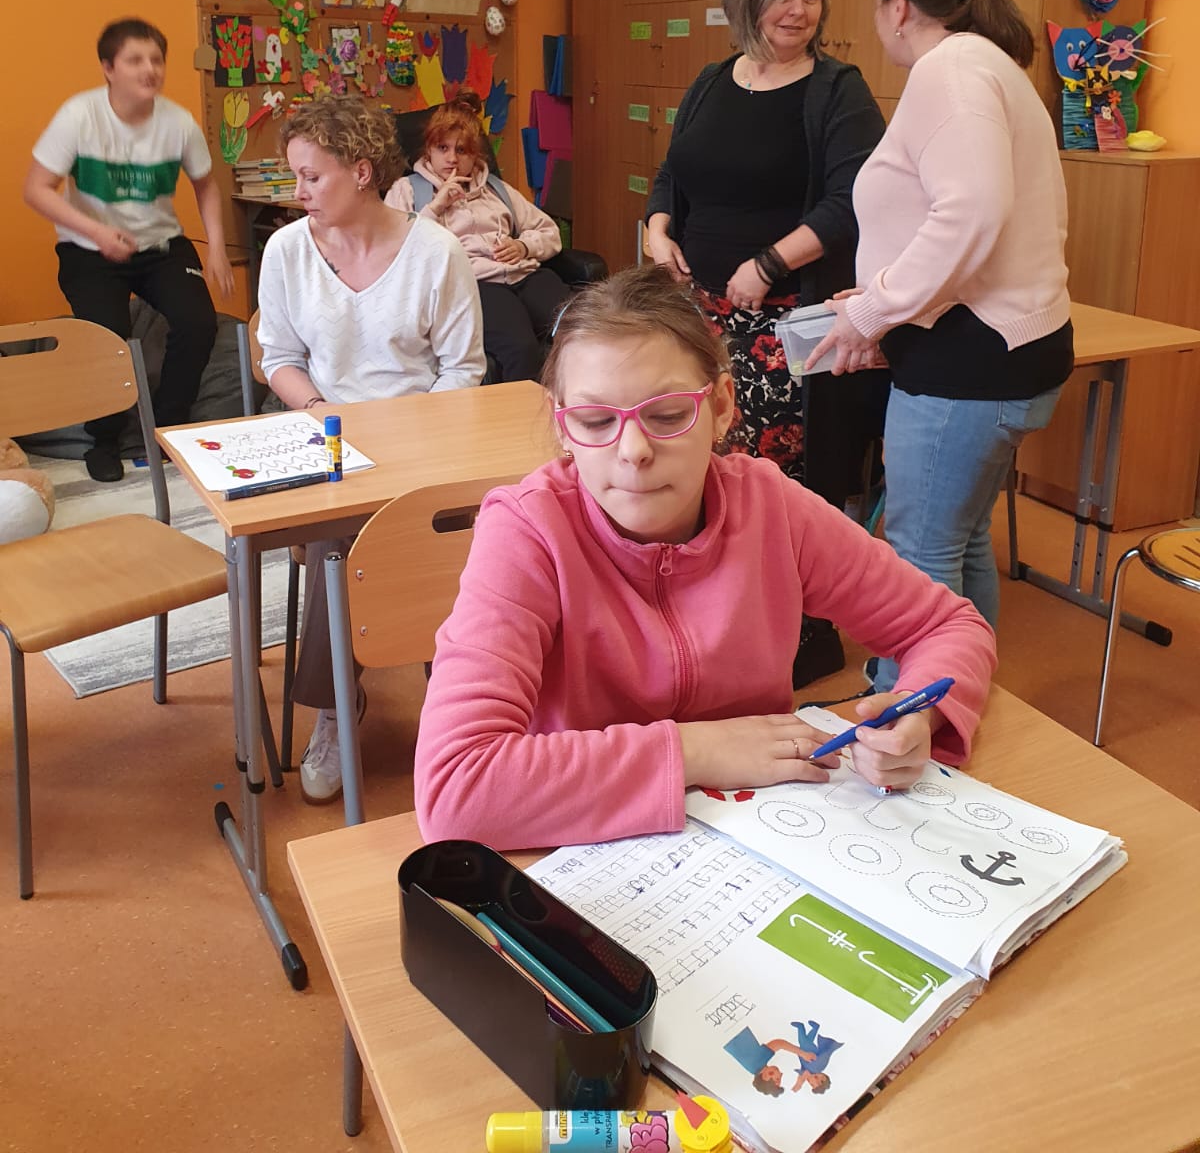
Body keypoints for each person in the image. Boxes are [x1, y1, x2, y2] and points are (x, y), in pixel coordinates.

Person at [414, 266, 996, 850]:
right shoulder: (528, 530)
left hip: (766, 838)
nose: (633, 451)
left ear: (720, 405)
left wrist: (921, 714)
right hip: (580, 847)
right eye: (595, 422)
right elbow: (456, 791)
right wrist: (696, 749)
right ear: (562, 426)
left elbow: (947, 625)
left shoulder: (771, 507)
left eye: (668, 415)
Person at [809, 0, 1073, 692]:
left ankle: (908, 718)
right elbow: (959, 219)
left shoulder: (948, 70)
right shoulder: (988, 66)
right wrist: (885, 298)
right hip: (1005, 350)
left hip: (972, 364)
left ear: (897, 6)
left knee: (921, 553)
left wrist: (877, 308)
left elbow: (972, 211)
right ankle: (961, 700)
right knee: (958, 542)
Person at [643, 0, 887, 686]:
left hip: (788, 323)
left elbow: (851, 201)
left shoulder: (837, 91)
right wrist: (656, 227)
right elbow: (673, 171)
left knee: (779, 487)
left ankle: (803, 635)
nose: (798, 10)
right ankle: (725, 627)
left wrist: (769, 264)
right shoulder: (713, 81)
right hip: (703, 317)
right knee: (709, 471)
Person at [256, 95, 484, 802]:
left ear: (360, 172)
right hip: (331, 440)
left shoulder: (436, 252)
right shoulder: (287, 251)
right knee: (338, 538)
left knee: (453, 531)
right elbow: (278, 359)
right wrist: (320, 412)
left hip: (425, 440)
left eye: (310, 176)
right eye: (294, 176)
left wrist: (409, 438)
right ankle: (335, 706)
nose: (297, 192)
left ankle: (456, 703)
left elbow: (463, 370)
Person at [24, 18, 234, 483]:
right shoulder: (79, 116)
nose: (149, 69)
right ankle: (104, 439)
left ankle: (168, 427)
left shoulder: (178, 123)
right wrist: (96, 232)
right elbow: (36, 189)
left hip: (160, 246)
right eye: (135, 60)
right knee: (107, 336)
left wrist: (217, 248)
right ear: (108, 68)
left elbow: (206, 186)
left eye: (157, 60)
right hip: (88, 250)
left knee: (198, 322)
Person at [386, 97, 569, 382]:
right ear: (428, 150)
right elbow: (394, 251)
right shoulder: (407, 190)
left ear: (475, 155)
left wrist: (523, 246)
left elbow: (549, 231)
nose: (452, 159)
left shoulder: (495, 188)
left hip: (525, 274)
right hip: (475, 283)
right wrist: (436, 207)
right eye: (443, 148)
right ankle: (524, 411)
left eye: (462, 150)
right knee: (521, 349)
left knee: (579, 328)